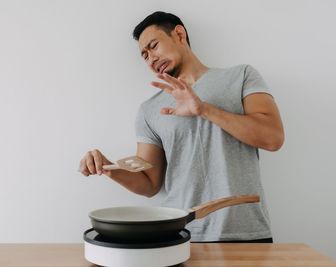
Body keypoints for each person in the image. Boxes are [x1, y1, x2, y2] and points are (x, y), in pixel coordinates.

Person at [78, 11, 284, 243]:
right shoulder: (149, 110)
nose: (151, 59)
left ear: (179, 33)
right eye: (144, 56)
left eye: (153, 46)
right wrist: (108, 167)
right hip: (181, 237)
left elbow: (273, 137)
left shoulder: (241, 76)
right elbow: (149, 183)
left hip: (247, 233)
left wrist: (203, 109)